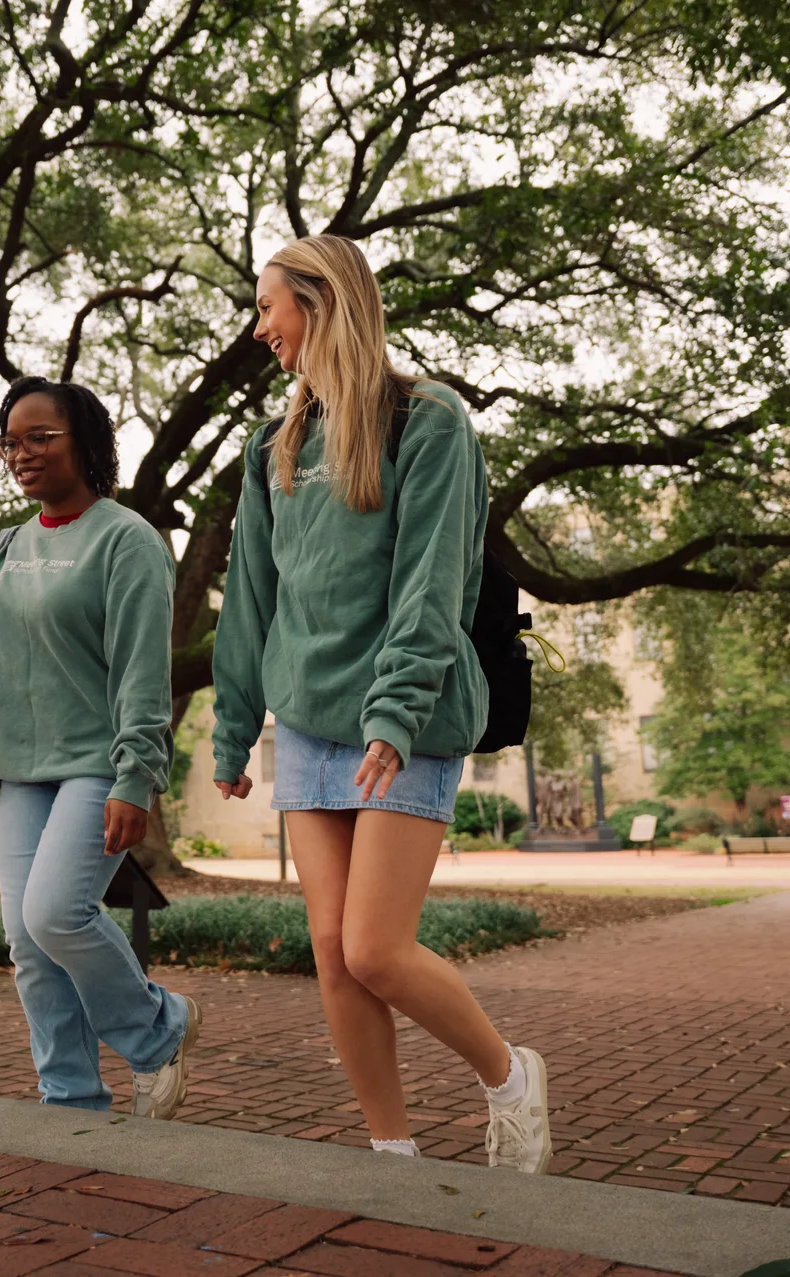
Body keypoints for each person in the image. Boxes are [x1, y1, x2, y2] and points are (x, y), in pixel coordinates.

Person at [210, 234, 550, 1171]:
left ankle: (510, 1077)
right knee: (330, 946)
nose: (260, 325)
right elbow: (250, 598)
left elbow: (430, 584)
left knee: (375, 947)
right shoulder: (272, 444)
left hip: (411, 713)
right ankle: (390, 1151)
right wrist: (234, 729)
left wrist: (394, 715)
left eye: (268, 303)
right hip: (313, 721)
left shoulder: (427, 420)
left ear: (317, 302)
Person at [0, 374, 200, 1116]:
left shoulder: (127, 539)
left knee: (57, 913)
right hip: (22, 769)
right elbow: (3, 660)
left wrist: (136, 776)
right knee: (29, 942)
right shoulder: (7, 546)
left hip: (96, 765)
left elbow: (141, 670)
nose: (22, 453)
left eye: (40, 437)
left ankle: (160, 1027)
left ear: (85, 442)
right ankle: (71, 1098)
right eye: (10, 442)